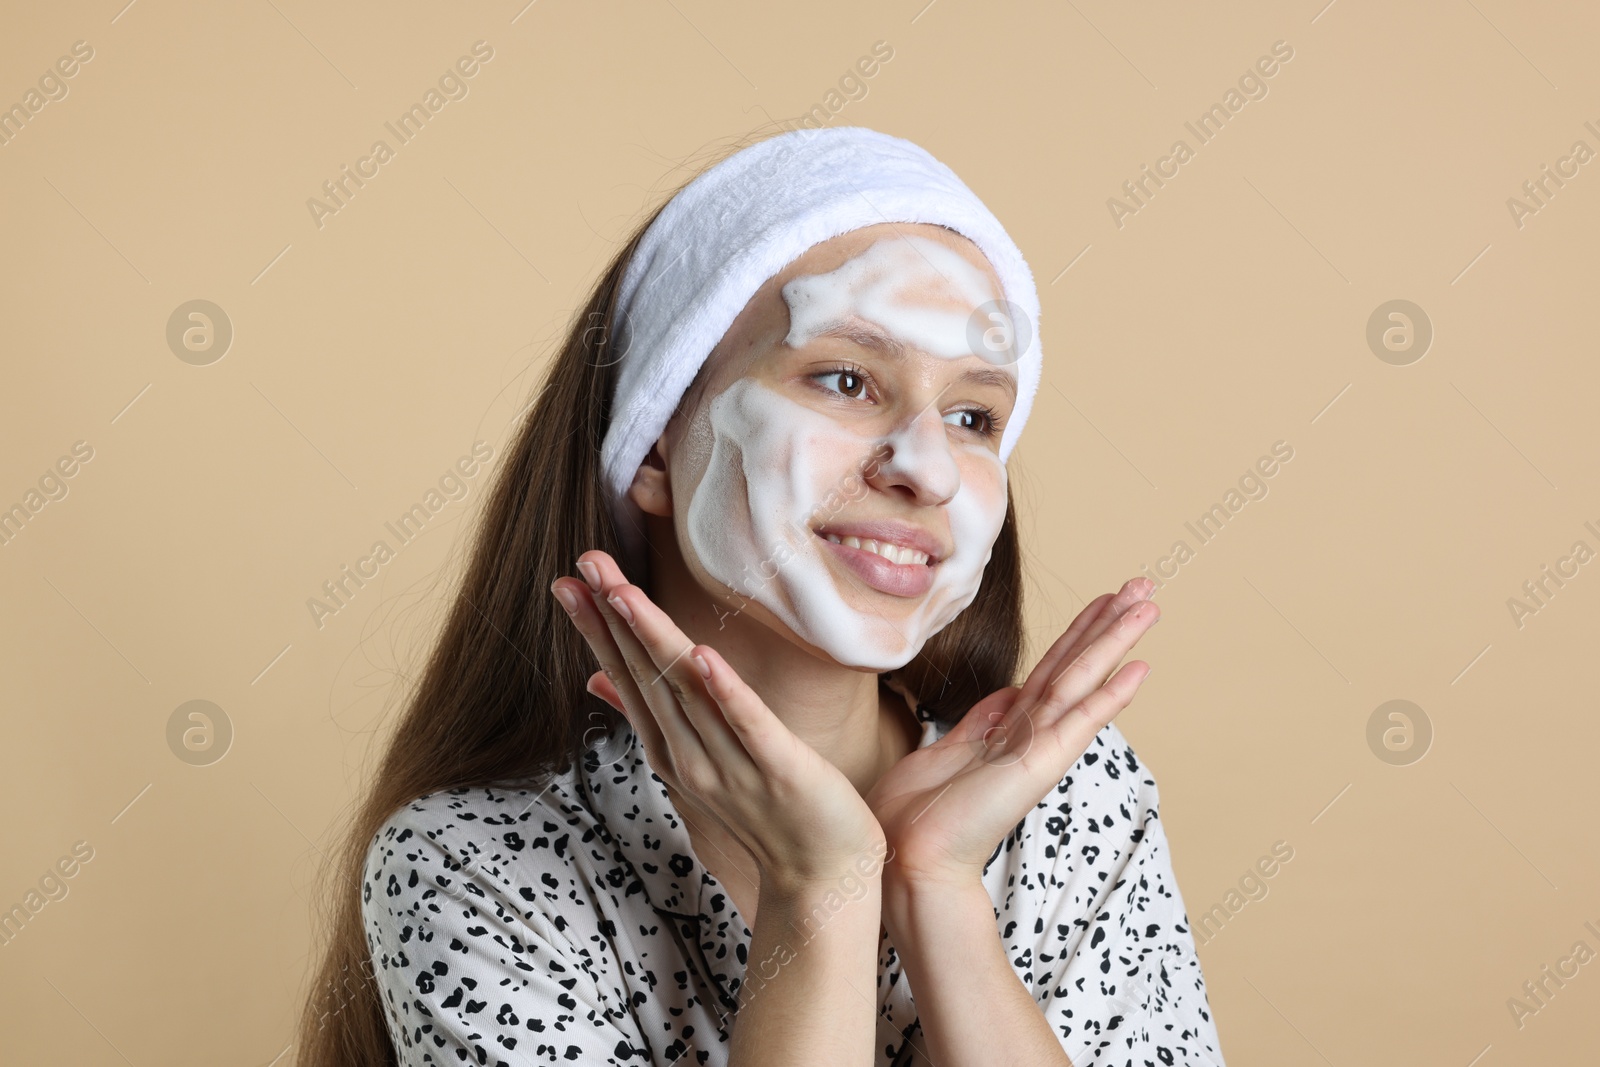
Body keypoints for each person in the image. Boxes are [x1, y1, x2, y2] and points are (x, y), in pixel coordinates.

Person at [292, 125, 1226, 1067]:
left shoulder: (1073, 795)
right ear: (657, 440)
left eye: (973, 415)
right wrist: (818, 892)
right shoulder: (479, 865)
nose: (929, 467)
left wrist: (940, 892)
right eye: (847, 378)